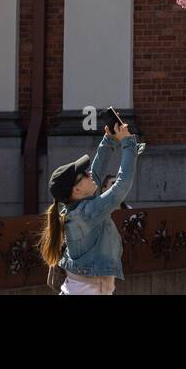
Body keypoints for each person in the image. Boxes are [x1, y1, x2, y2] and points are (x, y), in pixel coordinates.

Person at [38, 120, 140, 295]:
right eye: (84, 174)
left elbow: (97, 174)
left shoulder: (79, 207)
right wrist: (127, 143)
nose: (89, 174)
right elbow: (121, 187)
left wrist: (109, 139)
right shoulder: (85, 214)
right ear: (76, 189)